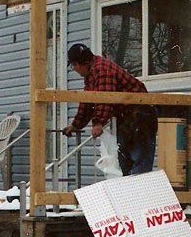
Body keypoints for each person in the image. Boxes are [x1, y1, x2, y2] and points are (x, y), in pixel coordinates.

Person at [62, 43, 157, 175]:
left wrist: (98, 123)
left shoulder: (103, 70)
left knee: (138, 160)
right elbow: (88, 102)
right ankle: (128, 193)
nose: (75, 70)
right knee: (125, 160)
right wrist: (75, 125)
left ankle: (138, 193)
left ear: (81, 63)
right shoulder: (91, 75)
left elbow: (105, 99)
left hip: (140, 113)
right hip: (126, 116)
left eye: (74, 66)